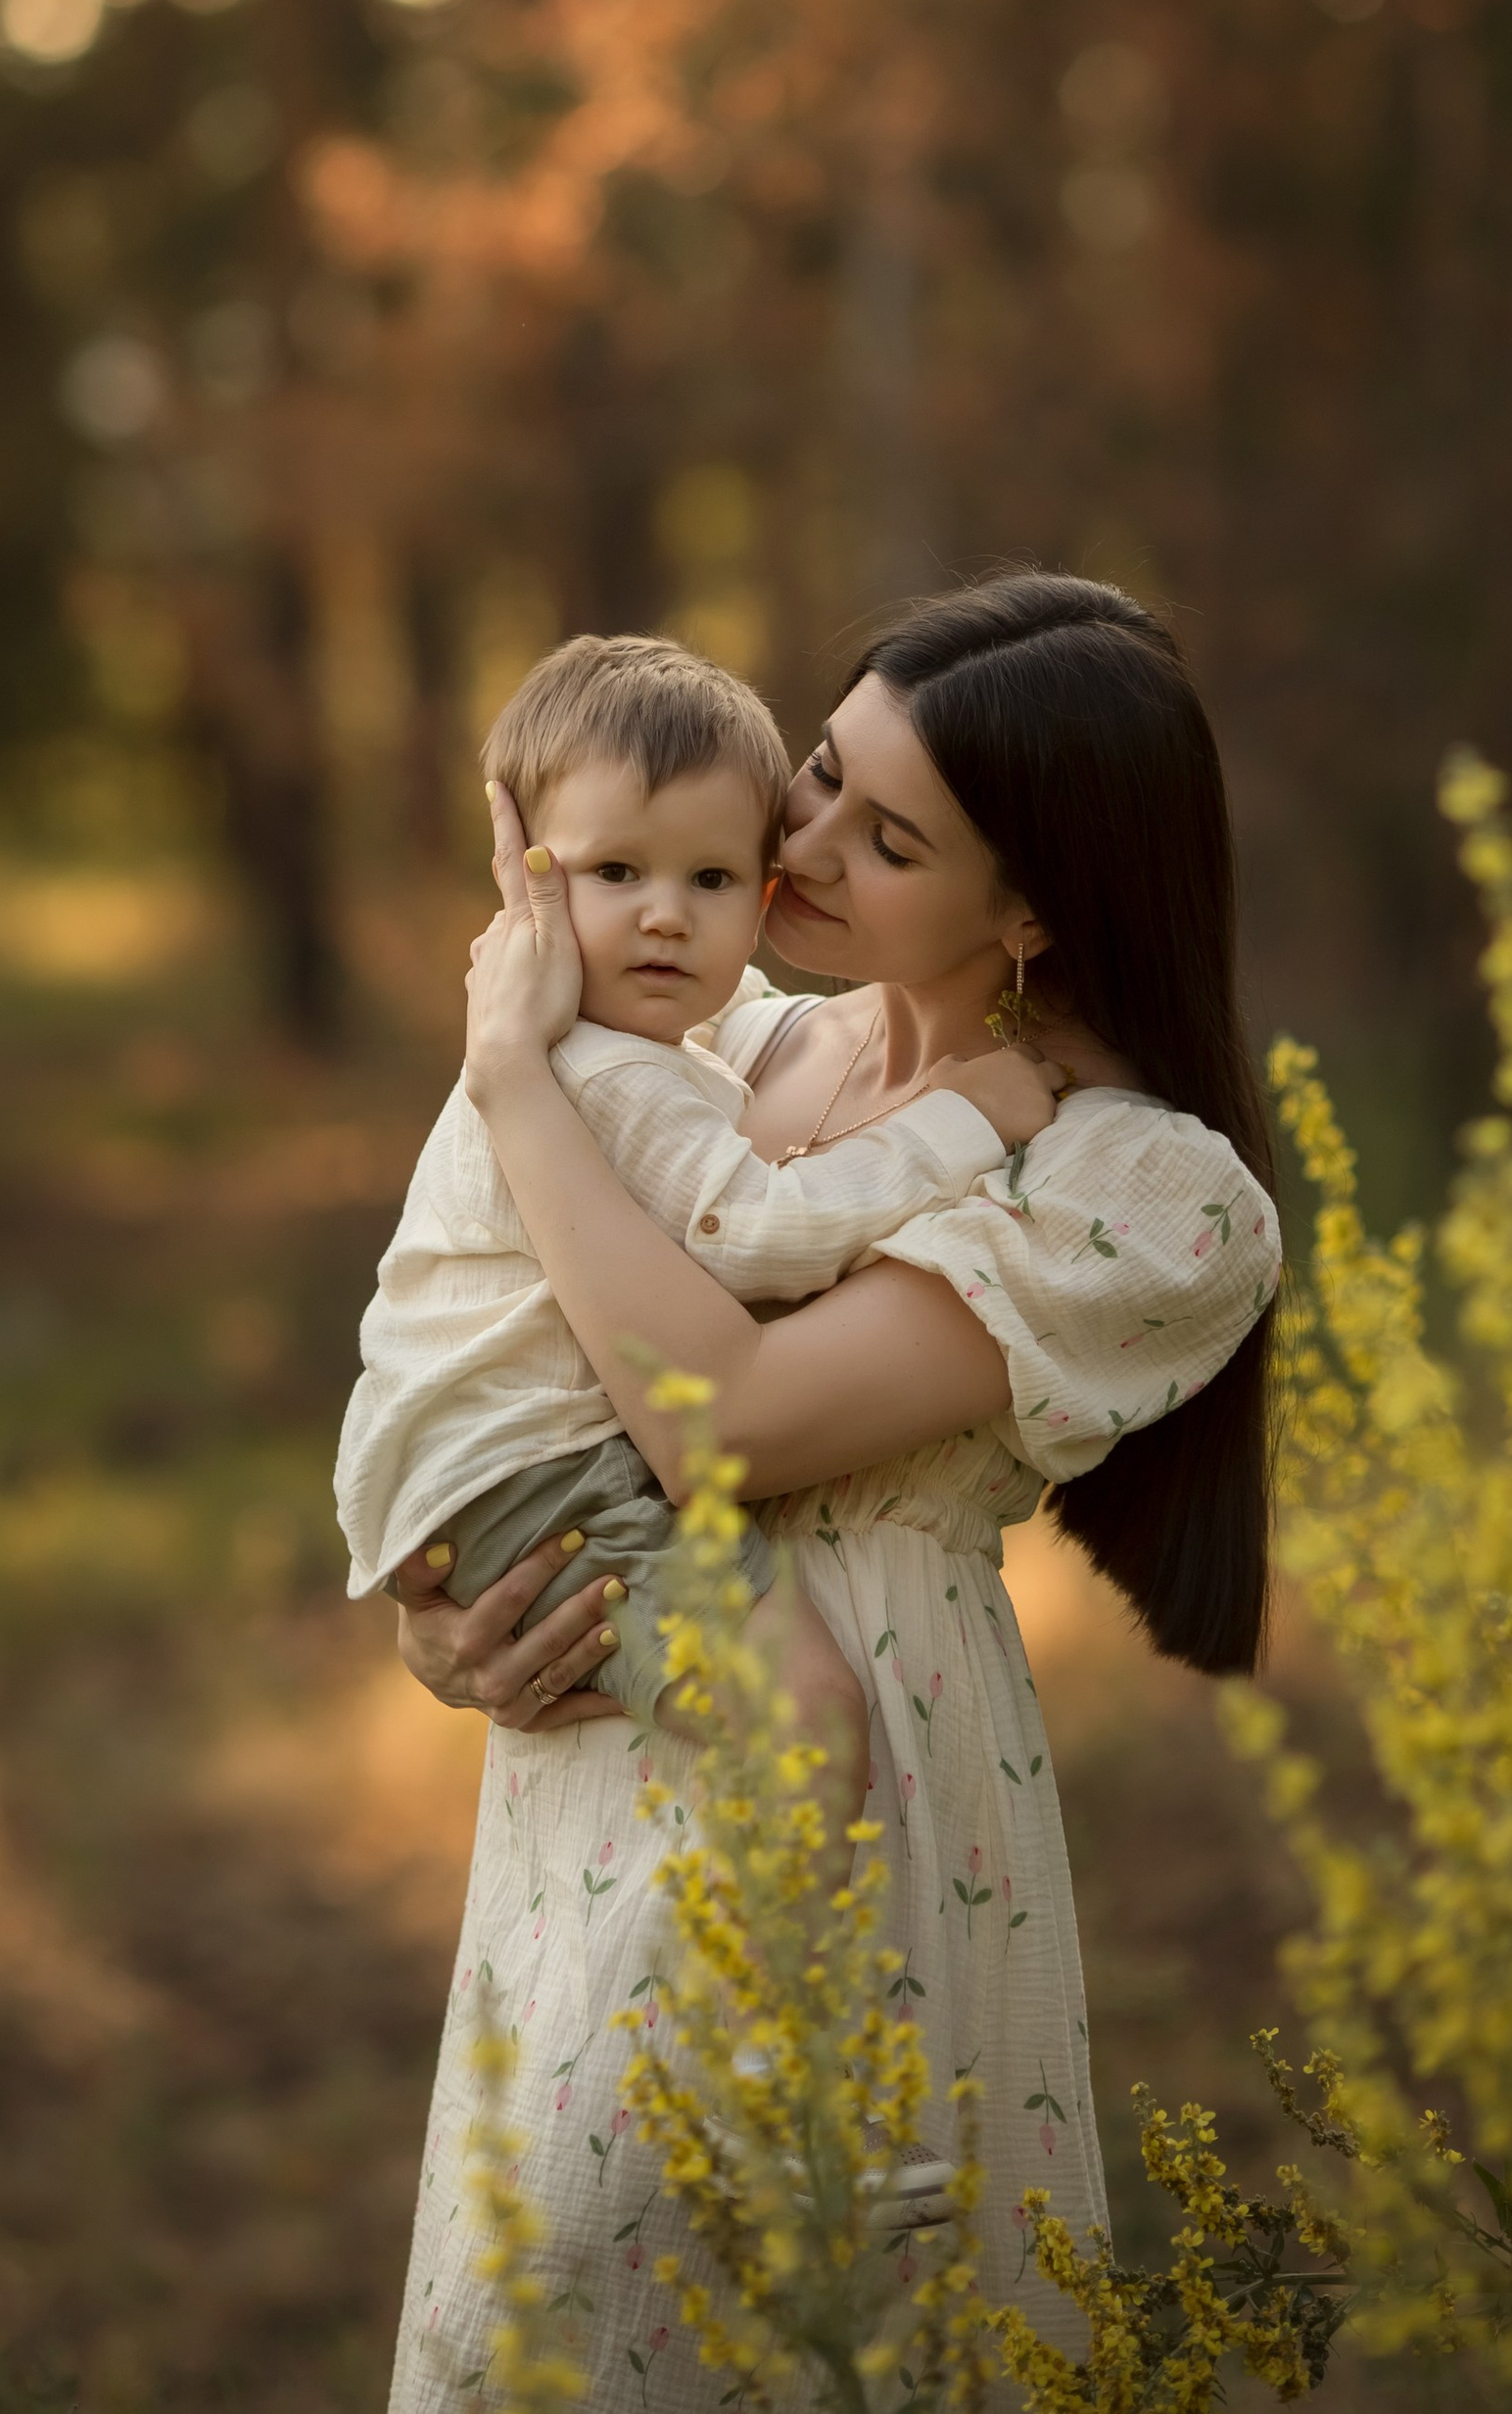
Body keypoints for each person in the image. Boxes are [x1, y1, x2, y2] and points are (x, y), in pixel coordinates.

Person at [380, 574, 1284, 2406]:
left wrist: (510, 1076)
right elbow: (528, 1379)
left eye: (883, 836)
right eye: (811, 775)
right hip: (604, 1751)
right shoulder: (730, 1047)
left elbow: (723, 1429)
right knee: (550, 2304)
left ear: (1029, 907)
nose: (788, 846)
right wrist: (450, 1620)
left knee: (808, 2307)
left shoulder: (1146, 1194)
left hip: (855, 1786)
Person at [336, 632, 1042, 1814]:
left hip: (500, 1471)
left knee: (781, 1715)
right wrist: (962, 1122)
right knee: (802, 1717)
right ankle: (803, 1986)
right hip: (538, 1478)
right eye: (616, 874)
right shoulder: (609, 1073)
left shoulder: (668, 1052)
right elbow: (754, 1228)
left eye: (709, 881)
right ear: (528, 875)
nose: (664, 917)